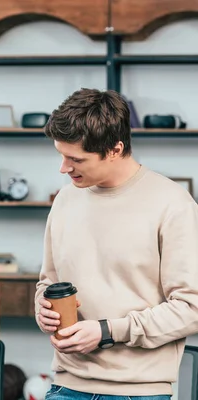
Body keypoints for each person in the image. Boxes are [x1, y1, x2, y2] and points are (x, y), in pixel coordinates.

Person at [35, 88, 198, 399]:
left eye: (75, 158)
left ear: (114, 149)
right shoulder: (66, 199)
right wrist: (43, 308)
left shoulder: (172, 204)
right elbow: (49, 282)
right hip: (66, 386)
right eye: (61, 155)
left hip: (138, 392)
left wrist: (107, 331)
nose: (63, 168)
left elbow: (191, 308)